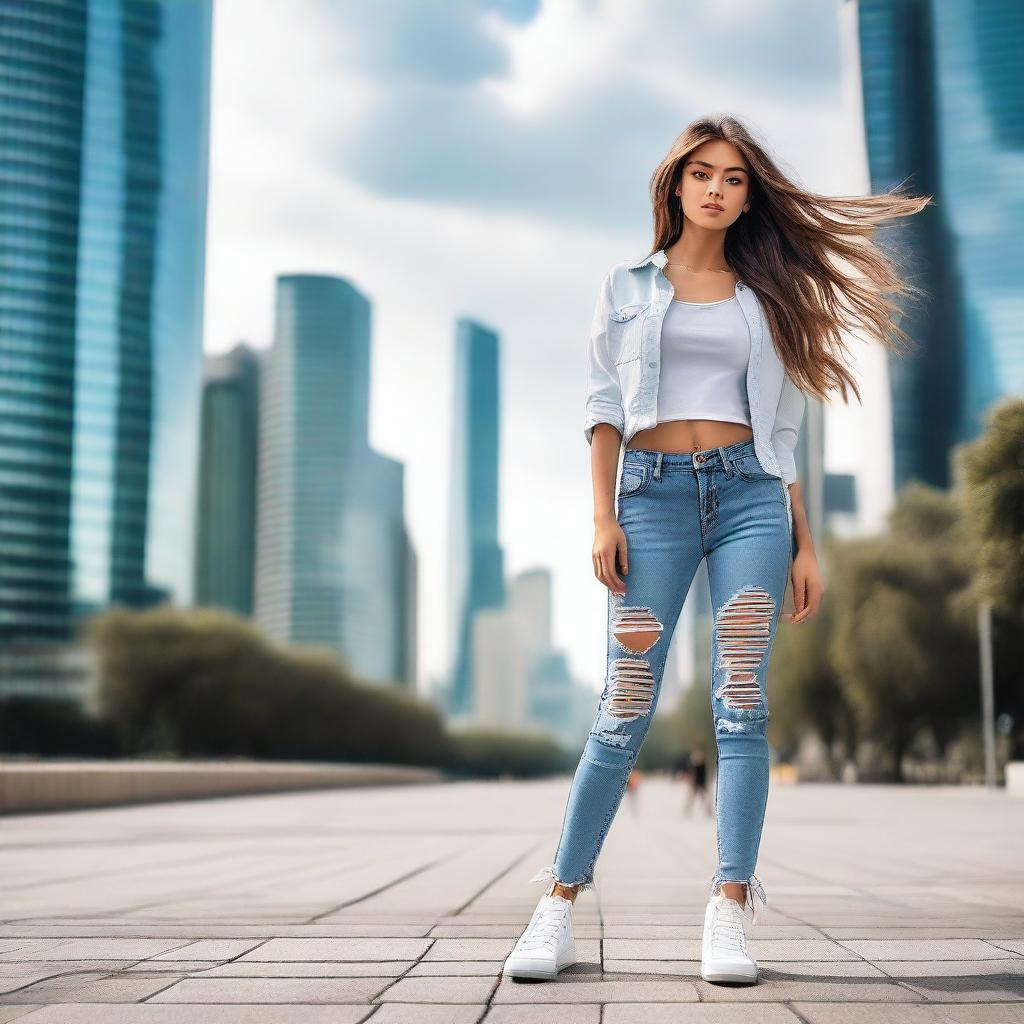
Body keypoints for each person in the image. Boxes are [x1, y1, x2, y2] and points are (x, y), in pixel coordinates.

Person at [502, 114, 928, 985]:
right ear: (676, 184)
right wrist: (601, 517)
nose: (718, 189)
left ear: (747, 195)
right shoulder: (625, 287)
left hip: (750, 501)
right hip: (650, 500)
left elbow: (783, 428)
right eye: (704, 173)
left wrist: (806, 542)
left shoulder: (767, 295)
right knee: (622, 710)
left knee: (742, 705)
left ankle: (729, 910)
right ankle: (557, 905)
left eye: (734, 178)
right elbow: (602, 407)